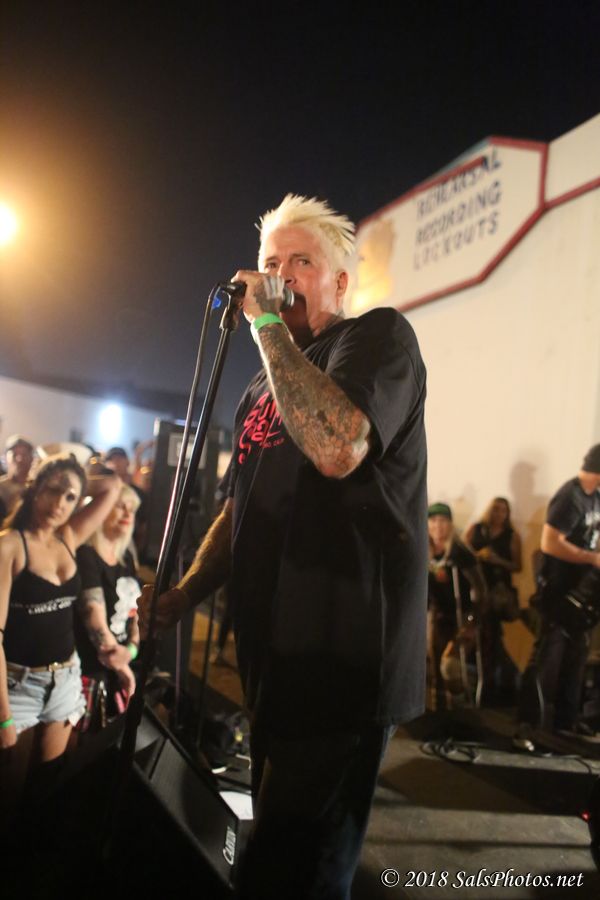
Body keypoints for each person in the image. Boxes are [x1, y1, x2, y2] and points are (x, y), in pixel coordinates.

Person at [138, 194, 428, 899]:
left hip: (343, 661)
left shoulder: (378, 338)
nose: (281, 275)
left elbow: (336, 447)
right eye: (272, 262)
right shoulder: (259, 389)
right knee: (274, 848)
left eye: (302, 262)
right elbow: (240, 506)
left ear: (340, 282)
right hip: (275, 658)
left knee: (295, 871)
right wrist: (184, 594)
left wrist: (266, 323)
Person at [0, 454, 121, 822]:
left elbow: (112, 486)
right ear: (35, 489)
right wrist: (3, 719)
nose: (61, 503)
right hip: (17, 687)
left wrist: (72, 477)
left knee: (46, 791)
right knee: (7, 799)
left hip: (65, 680)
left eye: (71, 497)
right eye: (53, 491)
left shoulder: (68, 536)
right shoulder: (10, 546)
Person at [514, 444, 600, 752]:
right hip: (558, 594)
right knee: (546, 661)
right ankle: (526, 726)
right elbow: (550, 543)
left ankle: (565, 723)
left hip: (580, 598)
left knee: (575, 661)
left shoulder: (594, 497)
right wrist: (592, 558)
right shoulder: (570, 496)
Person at [74, 482, 142, 732]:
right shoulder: (86, 554)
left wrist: (131, 650)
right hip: (92, 670)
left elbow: (136, 613)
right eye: (120, 506)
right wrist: (122, 664)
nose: (127, 513)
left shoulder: (126, 558)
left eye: (132, 509)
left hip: (122, 662)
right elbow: (95, 617)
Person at [427, 502, 486, 710]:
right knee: (435, 666)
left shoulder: (461, 553)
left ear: (450, 524)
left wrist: (472, 622)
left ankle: (461, 705)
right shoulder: (424, 552)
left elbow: (480, 590)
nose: (438, 526)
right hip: (437, 615)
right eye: (433, 521)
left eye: (443, 521)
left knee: (450, 664)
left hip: (462, 616)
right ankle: (440, 710)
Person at [465, 497, 522, 703]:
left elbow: (517, 566)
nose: (498, 514)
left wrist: (497, 560)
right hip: (476, 589)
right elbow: (462, 551)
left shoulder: (511, 536)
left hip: (498, 595)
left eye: (503, 511)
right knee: (482, 637)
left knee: (492, 637)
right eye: (496, 509)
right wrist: (478, 556)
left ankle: (492, 686)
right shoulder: (476, 529)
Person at [0, 435, 35, 522]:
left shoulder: (36, 488)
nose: (19, 459)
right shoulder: (1, 487)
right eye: (14, 454)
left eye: (24, 454)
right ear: (5, 459)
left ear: (32, 459)